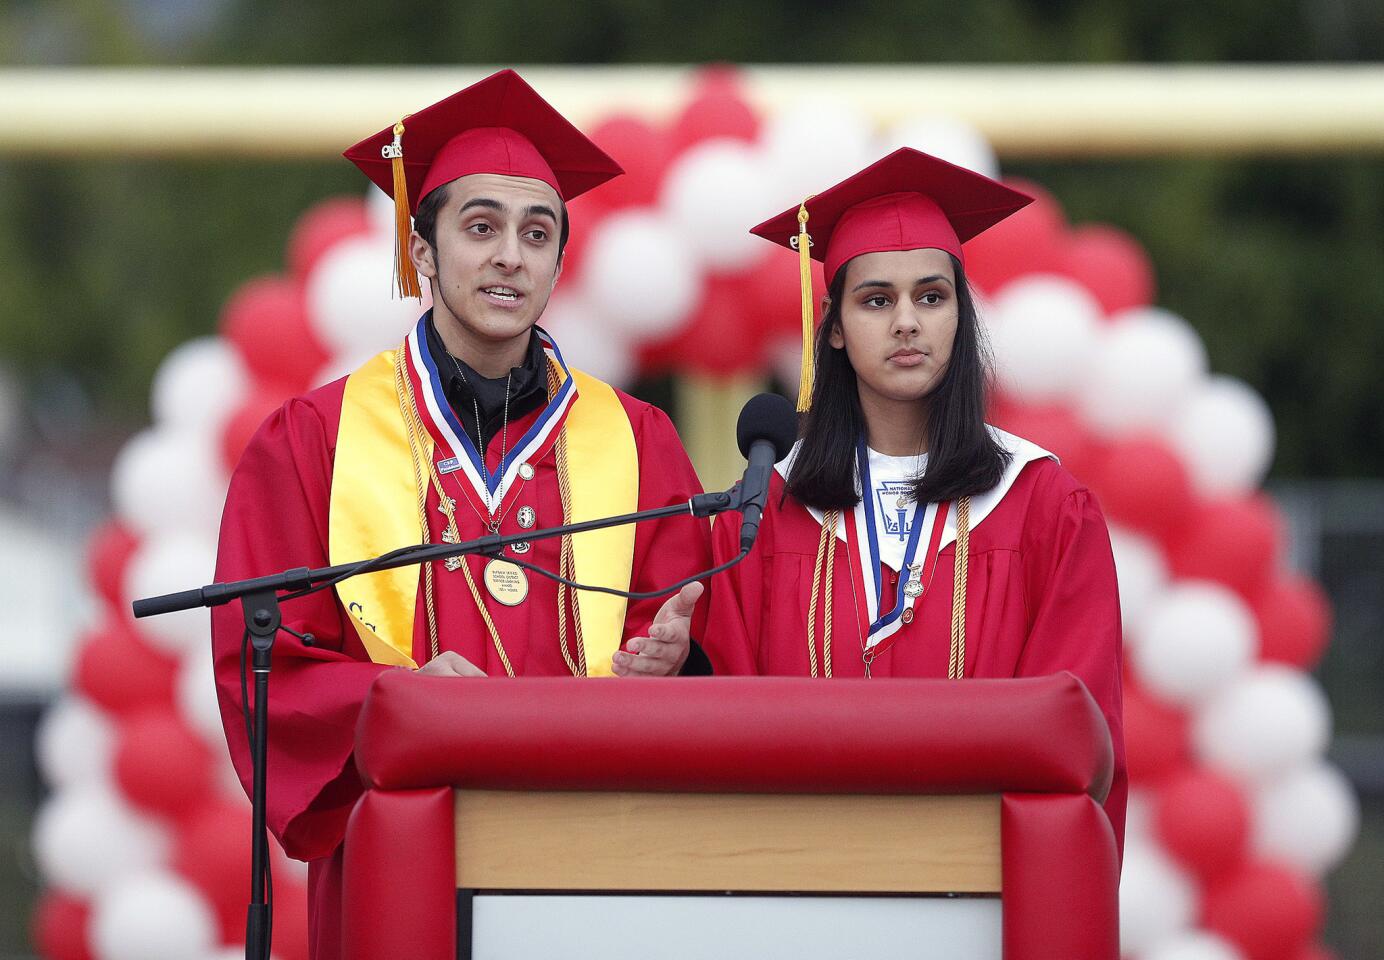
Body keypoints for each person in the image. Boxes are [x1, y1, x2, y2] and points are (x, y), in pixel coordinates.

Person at [211, 69, 712, 959]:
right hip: (397, 858)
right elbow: (265, 667)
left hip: (600, 867)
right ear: (425, 251)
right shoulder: (314, 440)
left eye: (537, 232)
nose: (510, 256)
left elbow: (701, 642)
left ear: (561, 260)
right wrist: (396, 701)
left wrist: (676, 667)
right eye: (480, 228)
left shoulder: (639, 442)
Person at [701, 147, 1126, 849]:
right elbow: (724, 727)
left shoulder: (1043, 503)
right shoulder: (765, 512)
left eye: (932, 296)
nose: (907, 322)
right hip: (801, 885)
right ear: (834, 327)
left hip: (981, 894)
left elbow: (1079, 739)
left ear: (961, 317)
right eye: (876, 300)